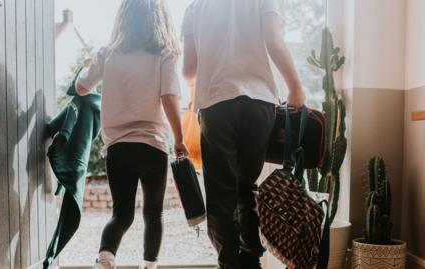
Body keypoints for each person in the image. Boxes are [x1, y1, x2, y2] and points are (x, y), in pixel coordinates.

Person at [181, 0, 306, 268]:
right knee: (246, 188)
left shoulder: (195, 8)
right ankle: (251, 260)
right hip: (259, 102)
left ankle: (229, 263)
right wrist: (295, 86)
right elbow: (273, 41)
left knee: (220, 194)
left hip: (216, 104)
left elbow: (189, 69)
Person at [75, 0, 188, 268]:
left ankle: (105, 257)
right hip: (152, 146)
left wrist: (88, 64)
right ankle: (149, 266)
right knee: (153, 214)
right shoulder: (164, 53)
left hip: (119, 148)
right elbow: (170, 97)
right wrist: (180, 140)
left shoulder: (108, 53)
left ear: (123, 18)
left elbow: (81, 87)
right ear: (159, 19)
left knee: (121, 215)